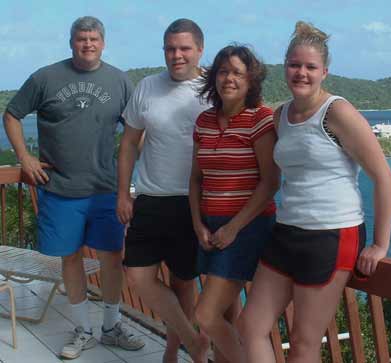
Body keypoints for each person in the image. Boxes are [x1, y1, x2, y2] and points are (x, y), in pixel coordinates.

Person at [238, 21, 391, 363]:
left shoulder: (337, 112)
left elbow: (382, 176)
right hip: (288, 230)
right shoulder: (281, 116)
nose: (301, 73)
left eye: (310, 67)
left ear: (325, 71)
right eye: (295, 65)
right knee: (250, 326)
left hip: (332, 234)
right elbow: (271, 174)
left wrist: (380, 244)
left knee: (304, 342)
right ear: (286, 67)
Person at [3, 16, 145, 360]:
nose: (88, 44)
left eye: (94, 39)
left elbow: (135, 131)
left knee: (113, 257)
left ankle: (111, 327)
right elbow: (12, 114)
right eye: (81, 39)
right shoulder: (45, 77)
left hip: (106, 188)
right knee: (71, 259)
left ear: (103, 42)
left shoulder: (119, 81)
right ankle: (82, 330)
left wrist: (134, 174)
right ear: (71, 42)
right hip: (61, 189)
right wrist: (25, 158)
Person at [117, 18, 210, 363]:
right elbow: (128, 143)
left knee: (184, 282)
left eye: (184, 48)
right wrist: (123, 194)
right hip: (150, 197)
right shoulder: (147, 87)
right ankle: (194, 341)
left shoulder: (213, 90)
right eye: (170, 48)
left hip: (192, 203)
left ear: (200, 49)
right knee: (138, 276)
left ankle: (173, 353)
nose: (177, 55)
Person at [189, 45, 279, 363]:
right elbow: (196, 180)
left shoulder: (260, 118)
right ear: (214, 77)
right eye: (224, 71)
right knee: (225, 313)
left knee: (205, 314)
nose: (229, 78)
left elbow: (270, 182)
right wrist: (198, 224)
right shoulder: (204, 121)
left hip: (246, 227)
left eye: (238, 72)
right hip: (211, 226)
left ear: (251, 80)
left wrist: (233, 227)